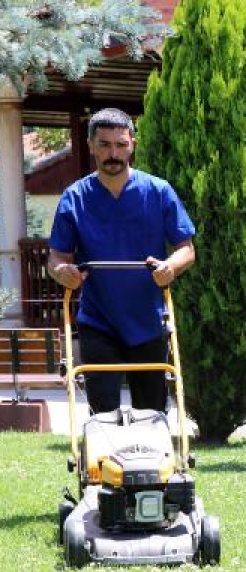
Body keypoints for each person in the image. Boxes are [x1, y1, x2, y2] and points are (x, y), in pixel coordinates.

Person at [48, 107, 195, 415]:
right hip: (97, 320)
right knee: (103, 413)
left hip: (148, 320)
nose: (113, 154)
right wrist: (63, 272)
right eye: (104, 145)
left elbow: (186, 248)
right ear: (91, 145)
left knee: (151, 412)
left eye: (121, 145)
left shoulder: (158, 191)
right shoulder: (74, 198)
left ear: (132, 145)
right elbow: (57, 258)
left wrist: (170, 267)